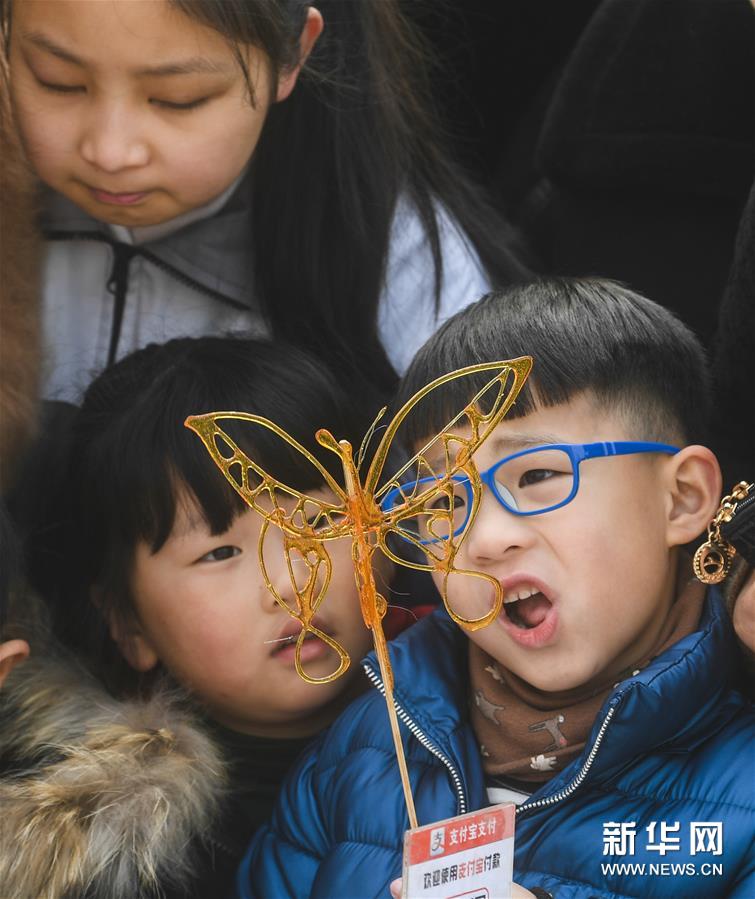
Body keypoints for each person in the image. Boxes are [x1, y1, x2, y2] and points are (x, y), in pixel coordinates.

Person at [240, 278, 754, 898]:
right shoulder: (362, 750)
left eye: (536, 474)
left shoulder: (740, 792)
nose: (482, 540)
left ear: (682, 498)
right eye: (442, 501)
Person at [0, 335, 401, 898]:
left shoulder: (484, 730)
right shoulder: (107, 860)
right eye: (220, 553)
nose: (290, 582)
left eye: (317, 523)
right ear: (127, 624)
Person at [4, 0, 528, 405]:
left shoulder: (396, 265)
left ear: (292, 54)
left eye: (177, 99)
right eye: (60, 83)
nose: (110, 152)